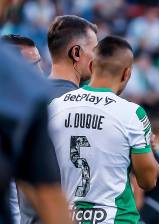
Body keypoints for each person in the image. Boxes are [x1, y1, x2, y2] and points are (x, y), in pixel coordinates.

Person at [48, 36, 159, 224]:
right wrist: (148, 149)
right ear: (127, 74)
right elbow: (148, 181)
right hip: (116, 218)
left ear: (91, 66)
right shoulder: (132, 114)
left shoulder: (55, 107)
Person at [0, 3, 72, 224]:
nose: (40, 73)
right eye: (32, 66)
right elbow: (48, 196)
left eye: (40, 65)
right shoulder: (20, 87)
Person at [47, 15, 98, 100]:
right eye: (95, 50)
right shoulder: (81, 104)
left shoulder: (32, 95)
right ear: (76, 53)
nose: (97, 57)